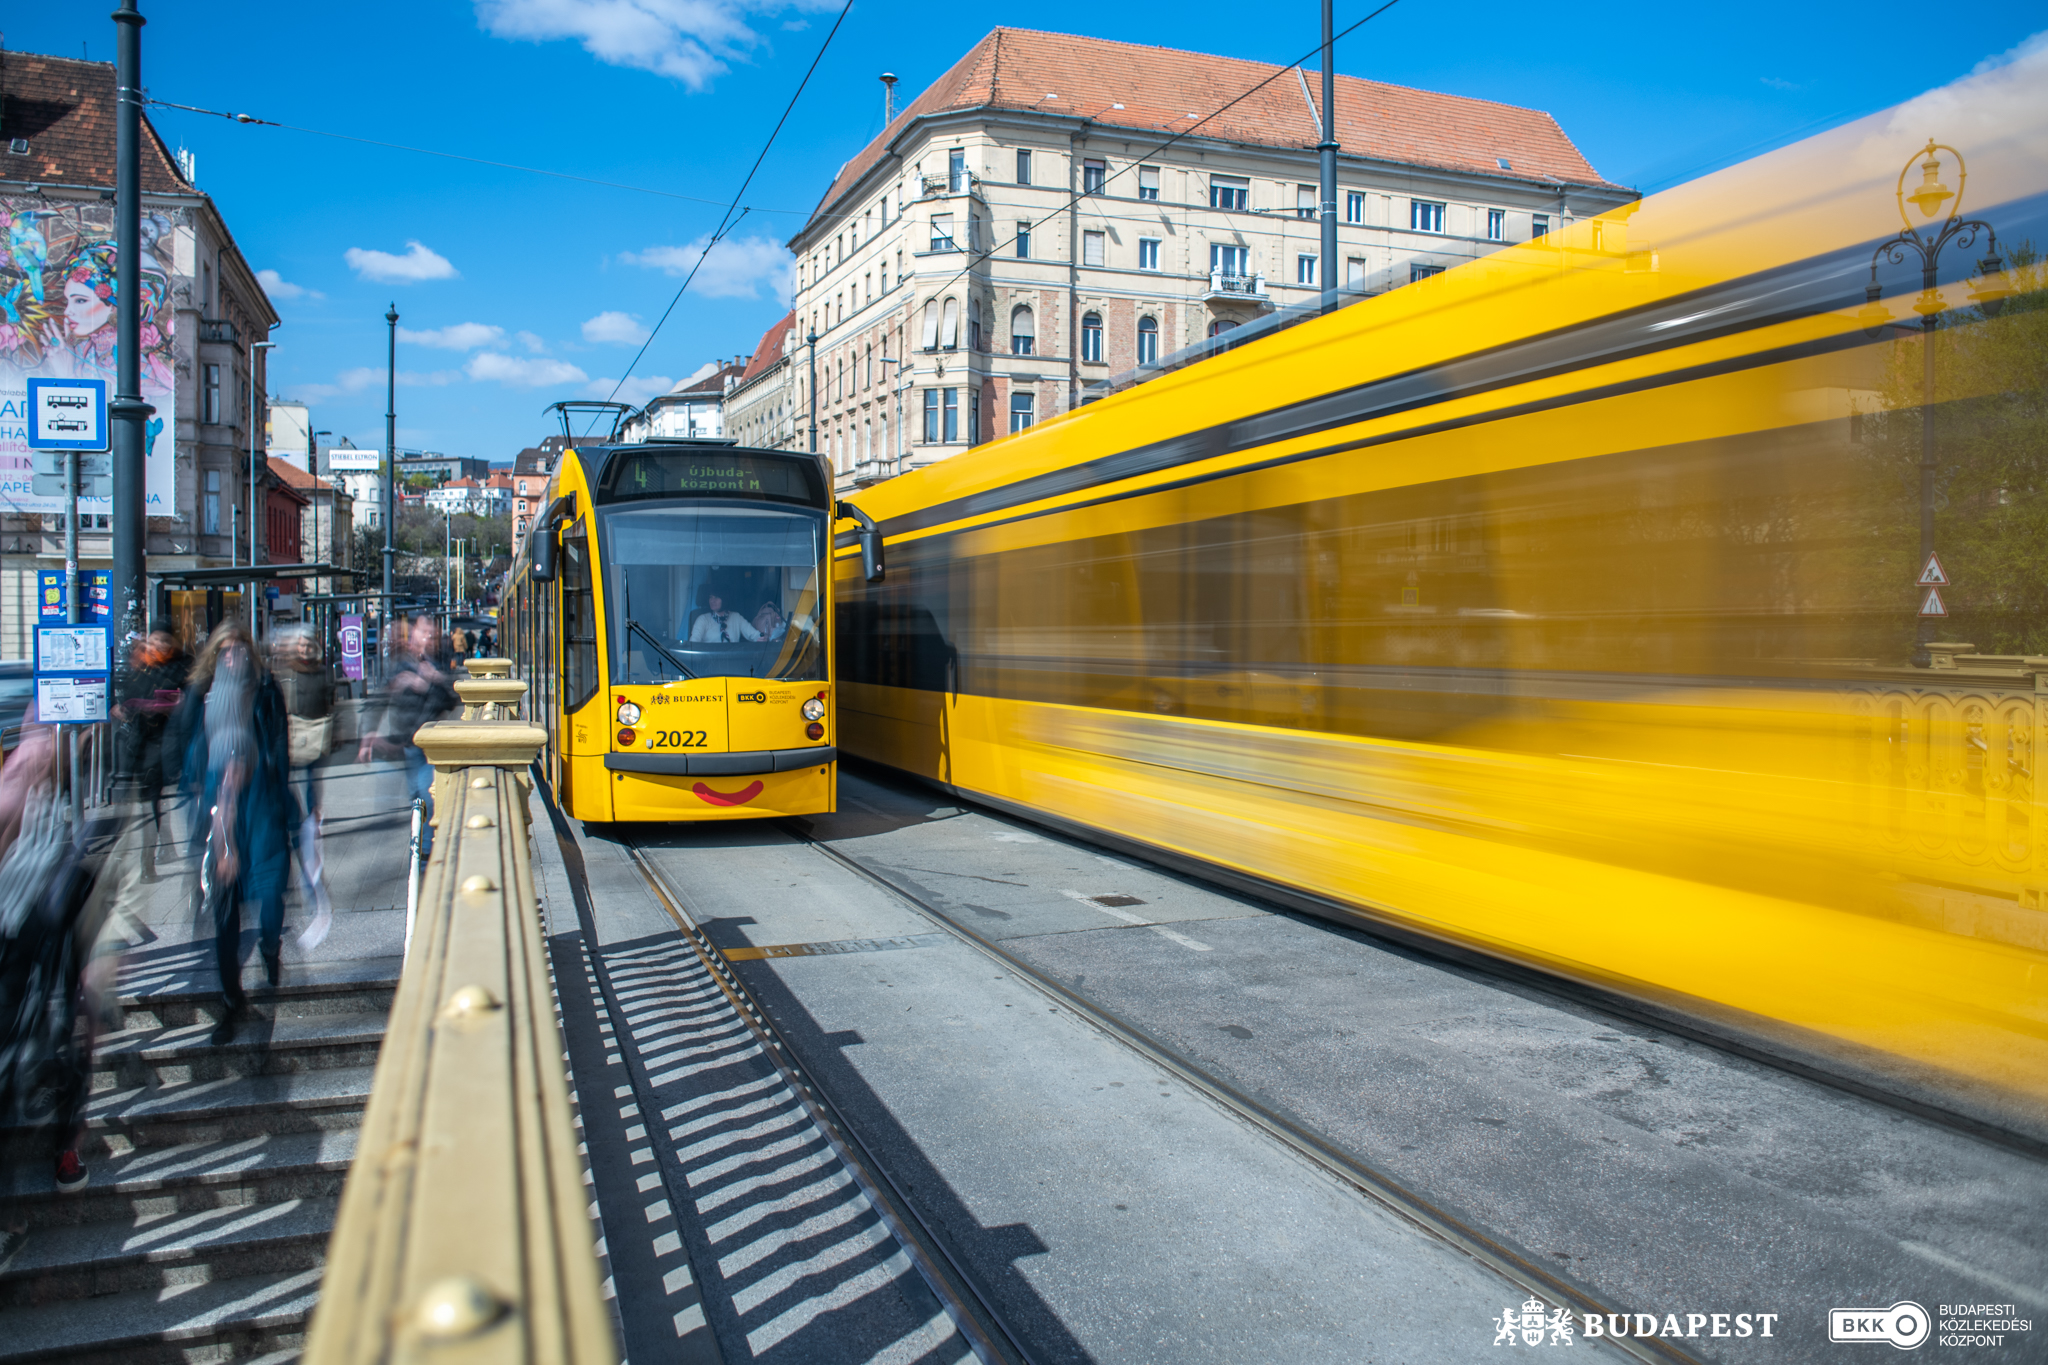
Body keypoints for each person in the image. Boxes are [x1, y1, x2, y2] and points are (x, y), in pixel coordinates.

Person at [179, 625, 298, 1041]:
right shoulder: (203, 694)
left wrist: (286, 800)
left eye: (239, 651)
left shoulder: (266, 691)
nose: (233, 658)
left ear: (251, 653)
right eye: (225, 652)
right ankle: (232, 1001)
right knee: (225, 912)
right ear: (215, 655)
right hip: (219, 808)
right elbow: (190, 748)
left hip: (261, 803)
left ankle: (269, 946)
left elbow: (280, 745)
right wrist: (196, 804)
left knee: (269, 893)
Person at [364, 617, 457, 859]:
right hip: (405, 745)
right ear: (413, 634)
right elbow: (379, 698)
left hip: (429, 747)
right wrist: (369, 732)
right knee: (416, 798)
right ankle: (421, 851)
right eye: (424, 632)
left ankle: (424, 856)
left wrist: (432, 682)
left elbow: (451, 699)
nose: (428, 638)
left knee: (425, 797)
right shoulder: (400, 665)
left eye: (432, 634)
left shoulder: (438, 664)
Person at [112, 623, 186, 881]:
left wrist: (173, 704)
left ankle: (154, 858)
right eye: (155, 642)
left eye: (165, 642)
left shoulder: (179, 665)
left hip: (165, 741)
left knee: (153, 801)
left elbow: (189, 696)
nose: (159, 647)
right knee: (149, 803)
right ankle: (148, 862)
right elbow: (124, 701)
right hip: (142, 745)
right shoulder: (138, 667)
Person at [689, 593, 762, 643]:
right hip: (709, 662)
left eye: (716, 597)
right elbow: (694, 643)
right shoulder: (702, 619)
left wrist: (764, 638)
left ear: (725, 599)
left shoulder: (736, 617)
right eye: (711, 597)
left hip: (732, 660)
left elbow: (754, 635)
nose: (712, 600)